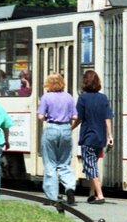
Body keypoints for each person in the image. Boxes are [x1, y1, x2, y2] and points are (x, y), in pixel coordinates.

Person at [38, 73, 79, 204]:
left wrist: (46, 117)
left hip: (51, 128)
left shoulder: (46, 97)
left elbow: (40, 116)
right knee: (64, 162)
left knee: (50, 164)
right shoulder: (68, 97)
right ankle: (69, 188)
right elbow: (75, 116)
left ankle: (52, 197)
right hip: (66, 129)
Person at [76, 69, 114, 204]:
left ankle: (100, 195)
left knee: (90, 166)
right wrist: (110, 136)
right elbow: (108, 118)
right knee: (93, 164)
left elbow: (79, 118)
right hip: (100, 138)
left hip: (88, 137)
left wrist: (71, 127)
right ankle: (92, 193)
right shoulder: (103, 98)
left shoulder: (83, 98)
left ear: (85, 82)